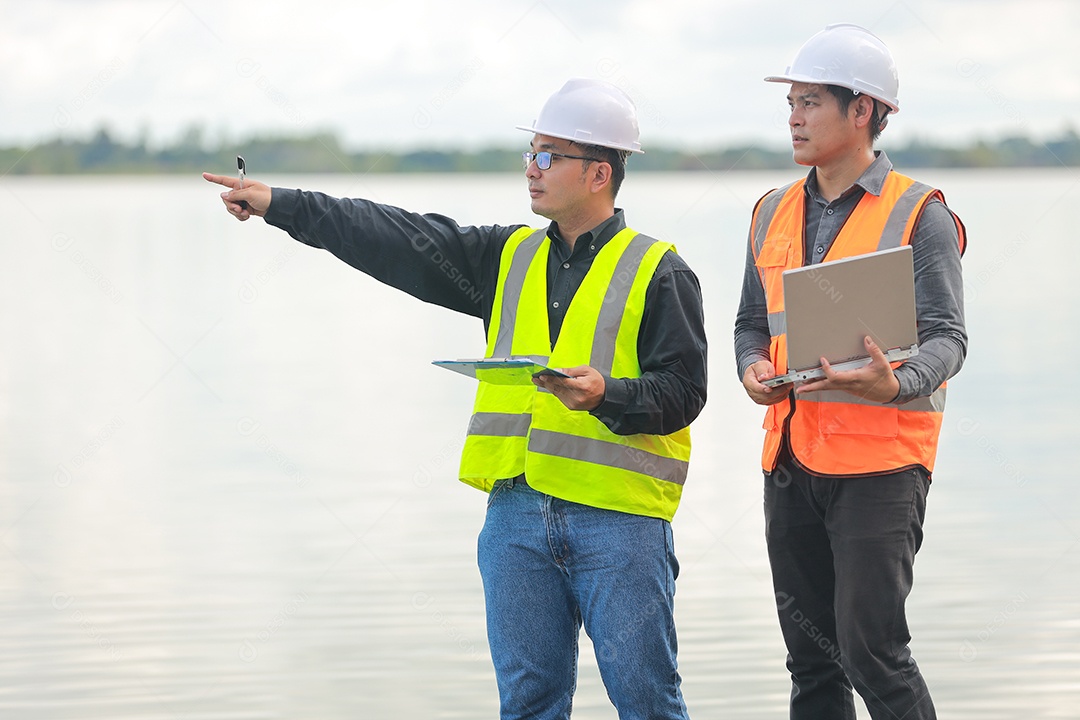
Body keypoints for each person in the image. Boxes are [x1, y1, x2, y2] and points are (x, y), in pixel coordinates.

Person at [205, 78, 707, 719]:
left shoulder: (659, 269)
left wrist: (607, 394)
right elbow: (397, 237)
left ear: (599, 173)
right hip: (516, 517)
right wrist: (283, 204)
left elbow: (685, 391)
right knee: (528, 704)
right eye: (531, 153)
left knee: (647, 704)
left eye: (548, 156)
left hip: (620, 524)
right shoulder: (507, 256)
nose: (531, 168)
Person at [734, 24, 967, 720]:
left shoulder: (918, 213)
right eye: (792, 104)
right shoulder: (770, 210)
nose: (794, 117)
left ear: (862, 110)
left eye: (811, 102)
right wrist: (751, 367)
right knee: (812, 663)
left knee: (873, 653)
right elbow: (752, 322)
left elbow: (948, 338)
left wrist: (893, 383)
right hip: (791, 461)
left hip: (881, 470)